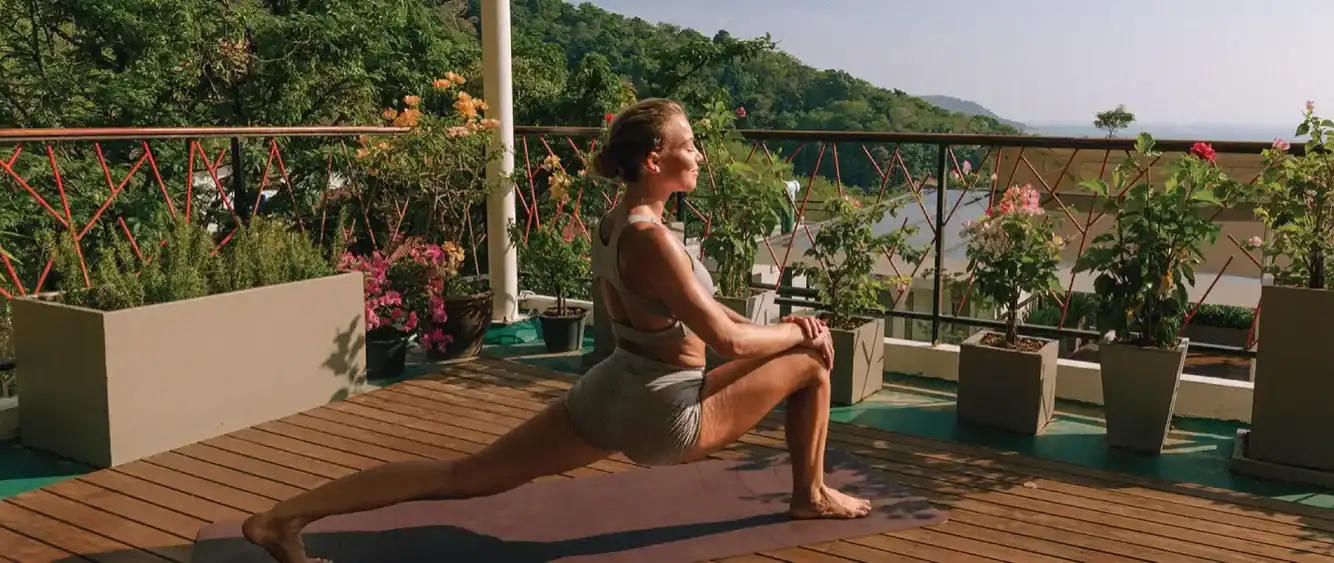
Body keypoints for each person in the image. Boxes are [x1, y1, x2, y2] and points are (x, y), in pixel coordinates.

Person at [241, 98, 871, 563]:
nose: (700, 154)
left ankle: (283, 519)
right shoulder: (654, 241)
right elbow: (730, 343)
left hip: (610, 390)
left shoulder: (616, 220)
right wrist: (799, 334)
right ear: (655, 160)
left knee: (465, 475)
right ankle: (809, 494)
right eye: (690, 144)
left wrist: (788, 326)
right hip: (664, 414)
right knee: (813, 366)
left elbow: (711, 315)